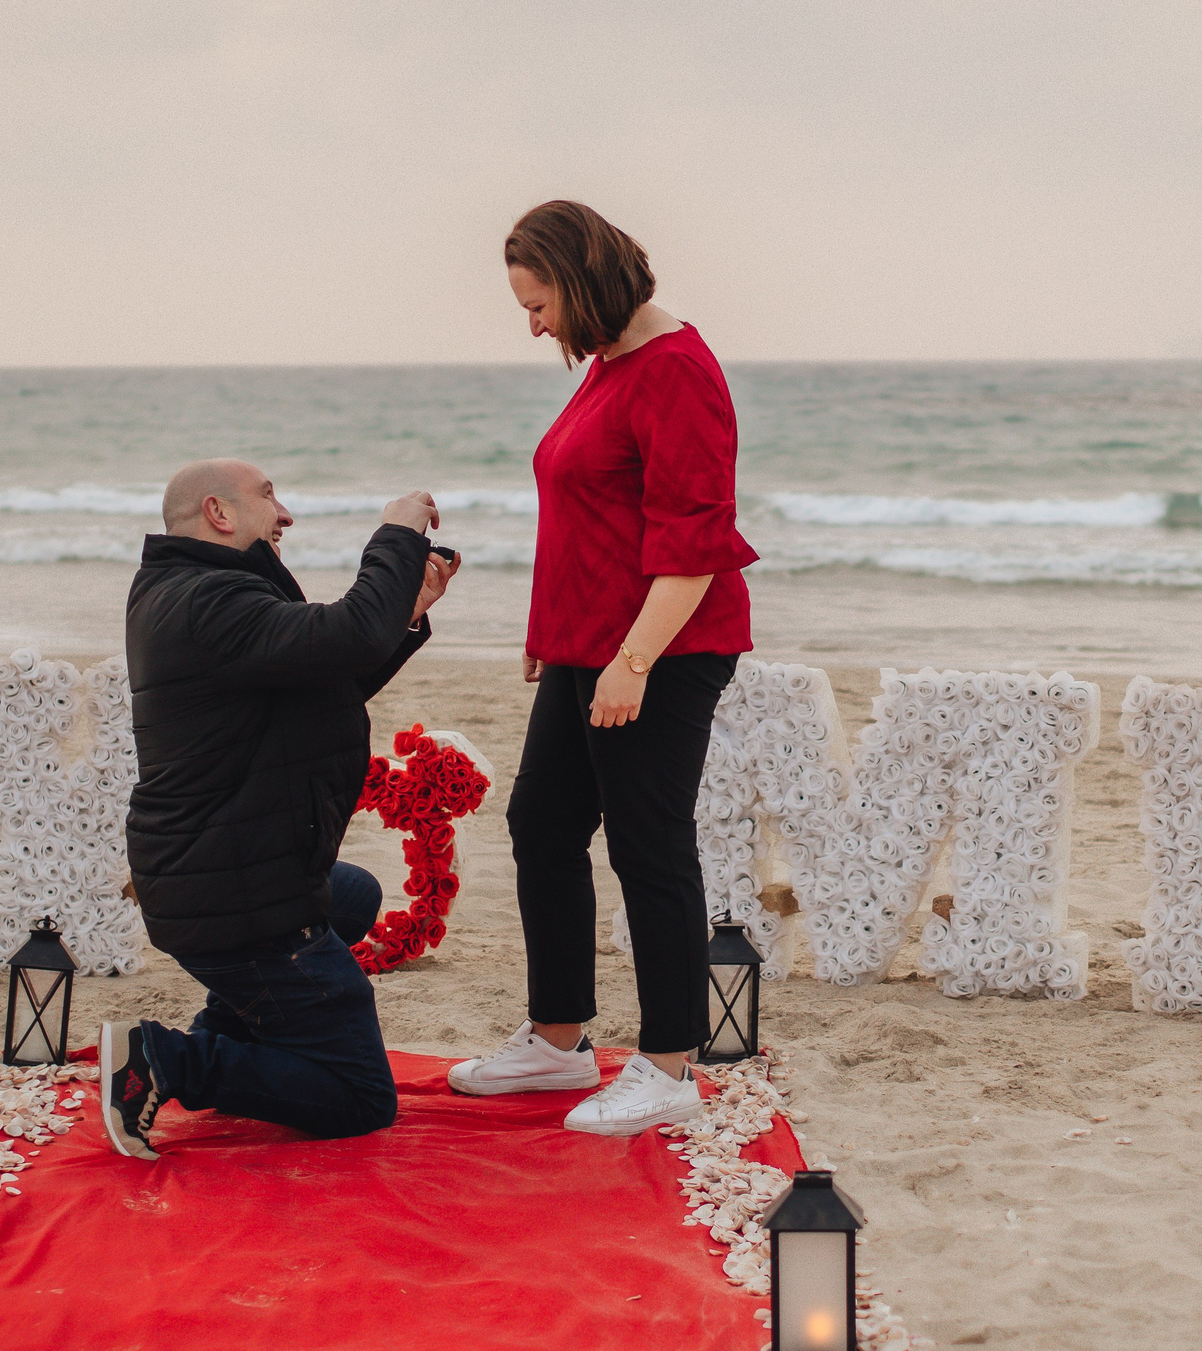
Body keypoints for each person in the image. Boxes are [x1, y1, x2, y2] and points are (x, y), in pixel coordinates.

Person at [445, 200, 756, 1137]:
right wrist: (554, 626)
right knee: (541, 824)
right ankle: (558, 1040)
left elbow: (694, 545)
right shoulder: (611, 365)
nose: (533, 326)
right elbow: (589, 510)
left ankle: (667, 1063)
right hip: (590, 645)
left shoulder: (677, 371)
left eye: (538, 304)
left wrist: (632, 660)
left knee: (648, 844)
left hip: (661, 651)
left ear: (579, 284)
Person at [102, 458, 457, 1159]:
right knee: (362, 1097)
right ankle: (170, 1061)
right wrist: (396, 534)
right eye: (270, 496)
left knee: (353, 894)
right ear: (220, 514)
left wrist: (405, 611)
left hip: (213, 870)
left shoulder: (194, 591)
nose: (286, 514)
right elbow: (347, 632)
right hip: (231, 894)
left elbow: (327, 680)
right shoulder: (207, 601)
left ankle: (225, 1029)